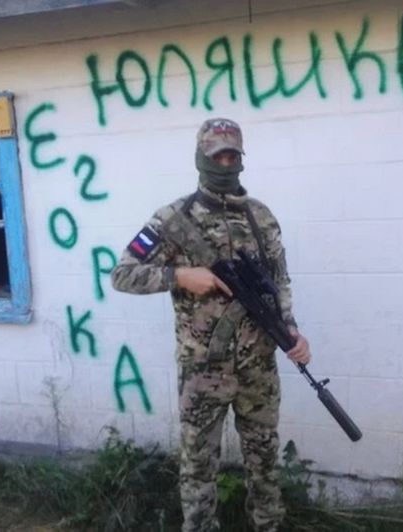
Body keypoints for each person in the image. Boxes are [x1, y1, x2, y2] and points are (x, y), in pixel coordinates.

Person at [111, 118, 311, 532]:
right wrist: (180, 276)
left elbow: (279, 283)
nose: (225, 163)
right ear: (200, 157)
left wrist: (290, 330)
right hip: (203, 370)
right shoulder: (173, 219)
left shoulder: (261, 217)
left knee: (264, 460)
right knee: (198, 466)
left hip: (258, 365)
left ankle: (268, 525)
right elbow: (122, 274)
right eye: (217, 155)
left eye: (231, 155)